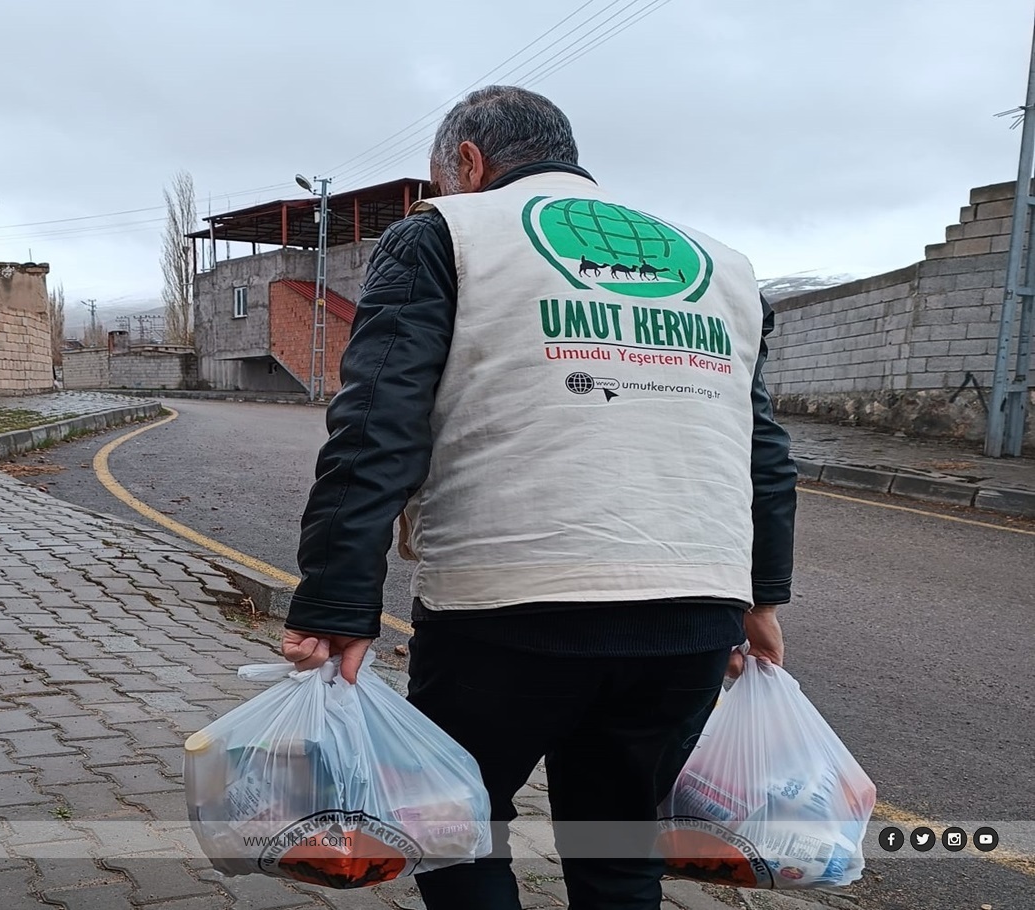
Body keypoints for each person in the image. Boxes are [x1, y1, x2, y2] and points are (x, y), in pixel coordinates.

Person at [280, 85, 796, 910]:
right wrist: (760, 596)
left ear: (469, 162)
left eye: (442, 178)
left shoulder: (444, 234)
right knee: (620, 850)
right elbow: (761, 447)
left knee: (456, 829)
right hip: (693, 612)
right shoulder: (721, 267)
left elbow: (377, 424)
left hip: (507, 611)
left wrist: (337, 601)